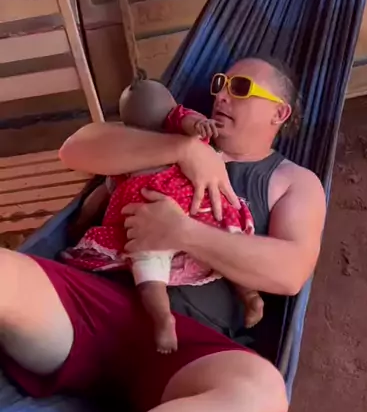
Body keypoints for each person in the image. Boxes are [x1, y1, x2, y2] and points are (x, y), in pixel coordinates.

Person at [0, 56, 325, 412]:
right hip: (89, 303)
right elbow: (76, 150)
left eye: (240, 87)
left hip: (185, 346)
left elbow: (290, 272)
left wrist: (184, 233)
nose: (221, 94)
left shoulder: (292, 182)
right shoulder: (172, 137)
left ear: (280, 113)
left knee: (263, 394)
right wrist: (182, 150)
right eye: (220, 84)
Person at [63, 77, 260, 354]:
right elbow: (189, 121)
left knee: (149, 279)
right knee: (228, 247)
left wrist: (79, 224)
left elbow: (97, 198)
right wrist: (196, 130)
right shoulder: (174, 136)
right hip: (195, 217)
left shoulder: (129, 160)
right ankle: (249, 294)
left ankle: (162, 318)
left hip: (147, 230)